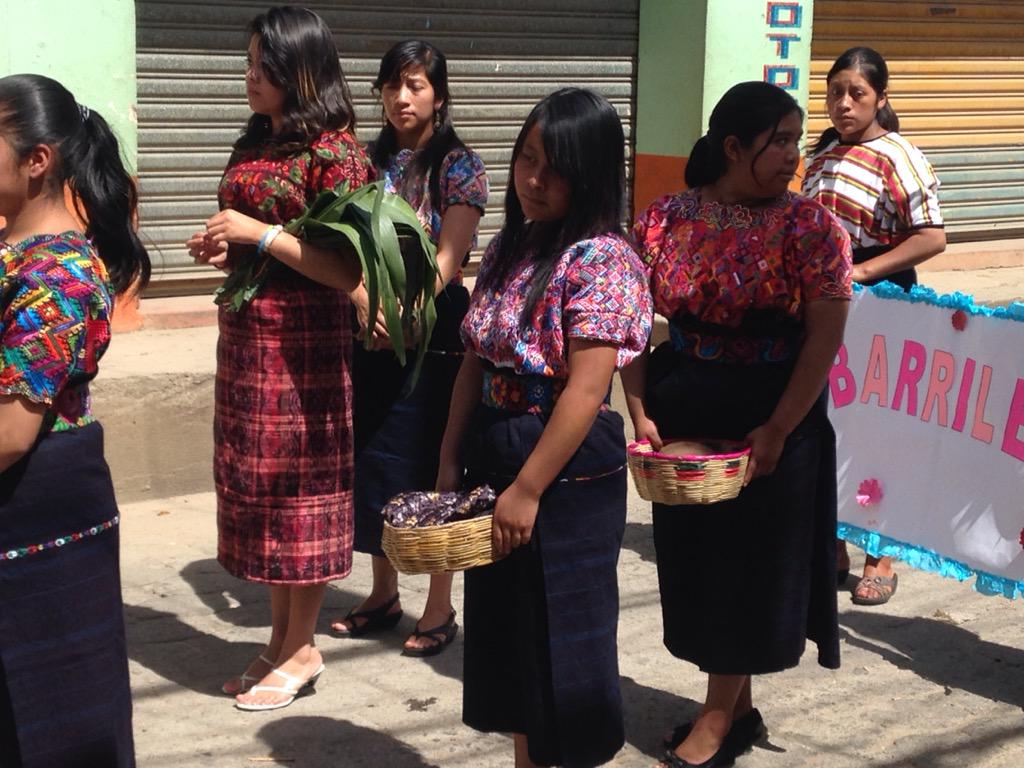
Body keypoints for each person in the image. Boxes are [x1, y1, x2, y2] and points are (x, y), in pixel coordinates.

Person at [624, 82, 852, 768]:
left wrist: (780, 427)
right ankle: (738, 705)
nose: (793, 155)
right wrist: (638, 408)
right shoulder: (665, 218)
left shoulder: (812, 228)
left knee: (748, 569)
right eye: (778, 140)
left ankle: (718, 719)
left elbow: (824, 338)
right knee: (700, 565)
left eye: (795, 139)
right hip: (687, 408)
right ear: (733, 146)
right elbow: (631, 324)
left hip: (773, 417)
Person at [437, 88, 652, 768]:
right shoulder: (507, 246)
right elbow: (474, 359)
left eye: (553, 167)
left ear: (588, 174)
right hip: (497, 445)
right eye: (527, 158)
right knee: (511, 640)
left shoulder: (604, 260)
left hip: (564, 464)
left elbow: (588, 389)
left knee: (569, 642)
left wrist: (528, 490)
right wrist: (448, 460)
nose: (533, 179)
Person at [186, 6, 370, 711]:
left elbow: (346, 271)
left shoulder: (338, 153)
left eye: (265, 64)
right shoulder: (254, 140)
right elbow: (252, 238)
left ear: (301, 68)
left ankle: (304, 645)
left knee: (302, 495)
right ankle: (277, 640)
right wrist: (225, 247)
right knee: (259, 491)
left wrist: (259, 235)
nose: (250, 75)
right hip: (248, 341)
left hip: (305, 351)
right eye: (250, 61)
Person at [0, 73, 150, 767]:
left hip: (33, 513)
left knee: (47, 720)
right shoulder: (16, 251)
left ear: (37, 160)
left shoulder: (54, 278)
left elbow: (9, 435)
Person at [328, 40, 488, 656]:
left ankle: (440, 603)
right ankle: (383, 592)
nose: (402, 97)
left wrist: (413, 308)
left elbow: (450, 253)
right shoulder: (367, 164)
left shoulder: (458, 165)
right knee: (375, 460)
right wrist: (366, 301)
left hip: (434, 327)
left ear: (439, 95)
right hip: (370, 326)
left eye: (416, 85)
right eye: (393, 85)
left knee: (434, 462)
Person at [803, 46, 946, 606]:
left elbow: (931, 236)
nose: (843, 103)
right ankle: (835, 542)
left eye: (856, 93)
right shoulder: (820, 156)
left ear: (880, 98)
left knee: (878, 428)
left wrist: (861, 272)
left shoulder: (899, 156)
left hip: (884, 305)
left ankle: (880, 553)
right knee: (833, 421)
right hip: (829, 307)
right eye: (835, 91)